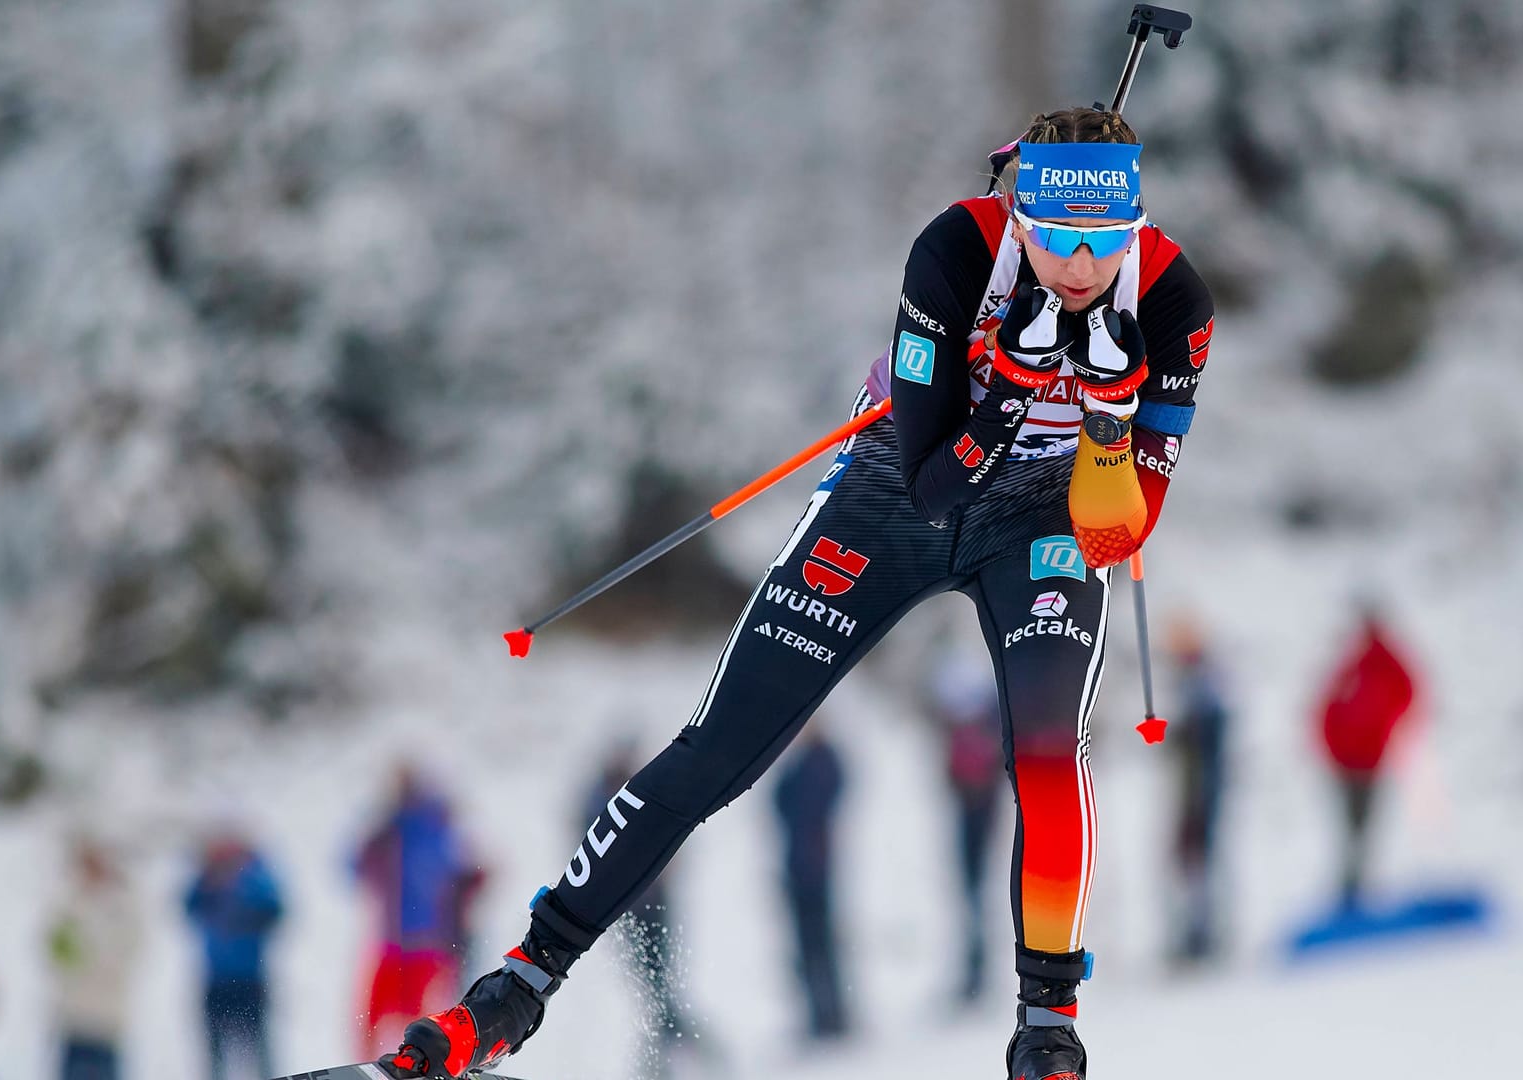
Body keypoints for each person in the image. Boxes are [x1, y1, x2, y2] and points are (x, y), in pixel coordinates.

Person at [378, 106, 1215, 1080]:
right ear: (1017, 215)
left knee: (1045, 747)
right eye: (1055, 237)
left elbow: (1119, 530)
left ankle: (1047, 1028)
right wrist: (1014, 381)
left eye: (1104, 240)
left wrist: (1109, 413)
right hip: (898, 490)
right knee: (721, 751)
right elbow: (933, 480)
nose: (1079, 264)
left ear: (1136, 226)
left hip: (1048, 518)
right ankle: (517, 988)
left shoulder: (1172, 303)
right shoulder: (953, 251)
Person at [579, 736, 704, 1079]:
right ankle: (672, 1046)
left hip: (651, 901)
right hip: (627, 906)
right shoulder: (602, 797)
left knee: (660, 981)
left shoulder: (641, 789)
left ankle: (672, 1048)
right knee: (649, 984)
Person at [354, 764, 485, 1057]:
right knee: (373, 1019)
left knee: (418, 1021)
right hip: (396, 943)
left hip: (429, 946)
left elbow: (461, 877)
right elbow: (355, 867)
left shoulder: (434, 831)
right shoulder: (392, 833)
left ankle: (416, 1065)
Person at [1315, 603, 1419, 909]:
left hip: (1368, 760)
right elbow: (1326, 708)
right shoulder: (1351, 663)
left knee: (1362, 827)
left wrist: (1389, 726)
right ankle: (1351, 888)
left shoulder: (1382, 662)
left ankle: (1358, 888)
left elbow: (1408, 693)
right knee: (1351, 827)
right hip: (1345, 762)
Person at [930, 649, 1006, 1004]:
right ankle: (973, 967)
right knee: (970, 890)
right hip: (970, 811)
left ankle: (978, 969)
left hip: (977, 812)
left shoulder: (982, 726)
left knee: (975, 889)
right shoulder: (978, 724)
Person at [184, 830, 284, 1080]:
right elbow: (188, 907)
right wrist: (208, 879)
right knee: (215, 1059)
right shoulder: (207, 881)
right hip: (216, 981)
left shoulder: (256, 878)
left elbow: (275, 911)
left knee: (261, 1056)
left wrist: (242, 881)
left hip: (250, 981)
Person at [771, 724, 849, 1041]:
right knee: (809, 944)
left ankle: (830, 1013)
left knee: (818, 942)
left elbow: (788, 802)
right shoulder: (809, 762)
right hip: (801, 863)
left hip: (813, 865)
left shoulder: (820, 762)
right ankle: (822, 1013)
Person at [1161, 613, 1230, 968]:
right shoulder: (1194, 683)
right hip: (1192, 786)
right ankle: (1195, 930)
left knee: (1199, 858)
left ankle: (1203, 933)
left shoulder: (1204, 684)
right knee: (1191, 860)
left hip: (1200, 787)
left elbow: (1209, 741)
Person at [46, 837, 143, 1080]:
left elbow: (128, 950)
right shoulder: (69, 903)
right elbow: (55, 951)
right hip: (73, 1019)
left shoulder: (121, 905)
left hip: (107, 1020)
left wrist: (89, 953)